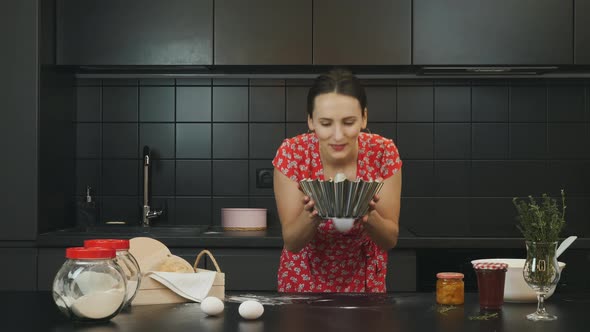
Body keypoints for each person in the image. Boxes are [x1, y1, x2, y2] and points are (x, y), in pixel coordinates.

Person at [272, 68, 403, 293]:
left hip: (365, 284)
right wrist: (314, 214)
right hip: (303, 282)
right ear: (311, 121)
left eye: (349, 122)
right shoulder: (292, 153)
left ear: (364, 118)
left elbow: (389, 239)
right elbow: (292, 242)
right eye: (325, 123)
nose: (338, 135)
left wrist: (369, 215)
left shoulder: (383, 152)